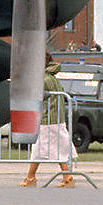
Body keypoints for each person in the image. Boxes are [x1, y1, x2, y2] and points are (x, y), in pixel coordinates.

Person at [22, 60, 76, 188]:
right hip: (57, 119)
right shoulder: (52, 78)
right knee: (59, 149)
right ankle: (66, 176)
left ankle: (31, 177)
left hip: (46, 119)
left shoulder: (43, 79)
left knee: (38, 150)